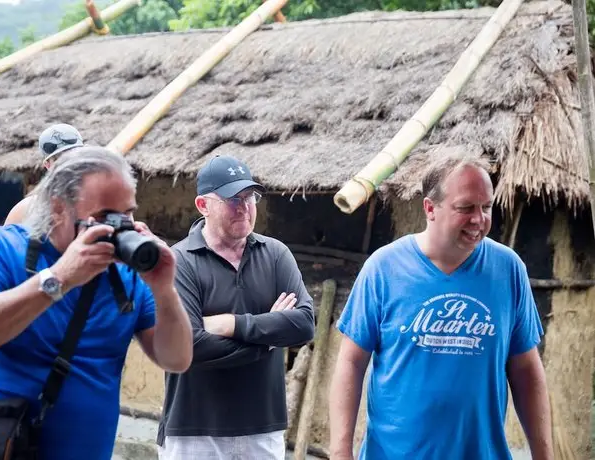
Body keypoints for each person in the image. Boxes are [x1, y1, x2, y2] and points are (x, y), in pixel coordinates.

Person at [0, 146, 193, 460]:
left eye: (126, 213)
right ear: (59, 208)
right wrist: (59, 277)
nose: (119, 226)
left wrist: (165, 289)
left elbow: (177, 359)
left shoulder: (128, 275)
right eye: (104, 216)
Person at [329, 154, 552, 460]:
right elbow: (351, 362)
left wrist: (544, 454)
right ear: (430, 208)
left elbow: (526, 368)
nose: (479, 219)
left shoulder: (508, 269)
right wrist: (340, 451)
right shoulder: (384, 268)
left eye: (486, 207)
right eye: (466, 208)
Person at [157, 155, 316, 459]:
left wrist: (233, 324)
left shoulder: (275, 254)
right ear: (203, 206)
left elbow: (305, 325)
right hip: (193, 431)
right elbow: (190, 346)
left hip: (263, 429)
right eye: (232, 198)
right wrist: (268, 339)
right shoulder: (178, 262)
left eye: (250, 197)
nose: (244, 207)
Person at [4, 123, 84, 225]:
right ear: (47, 165)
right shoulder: (26, 210)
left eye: (73, 156)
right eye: (59, 159)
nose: (68, 164)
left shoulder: (98, 201)